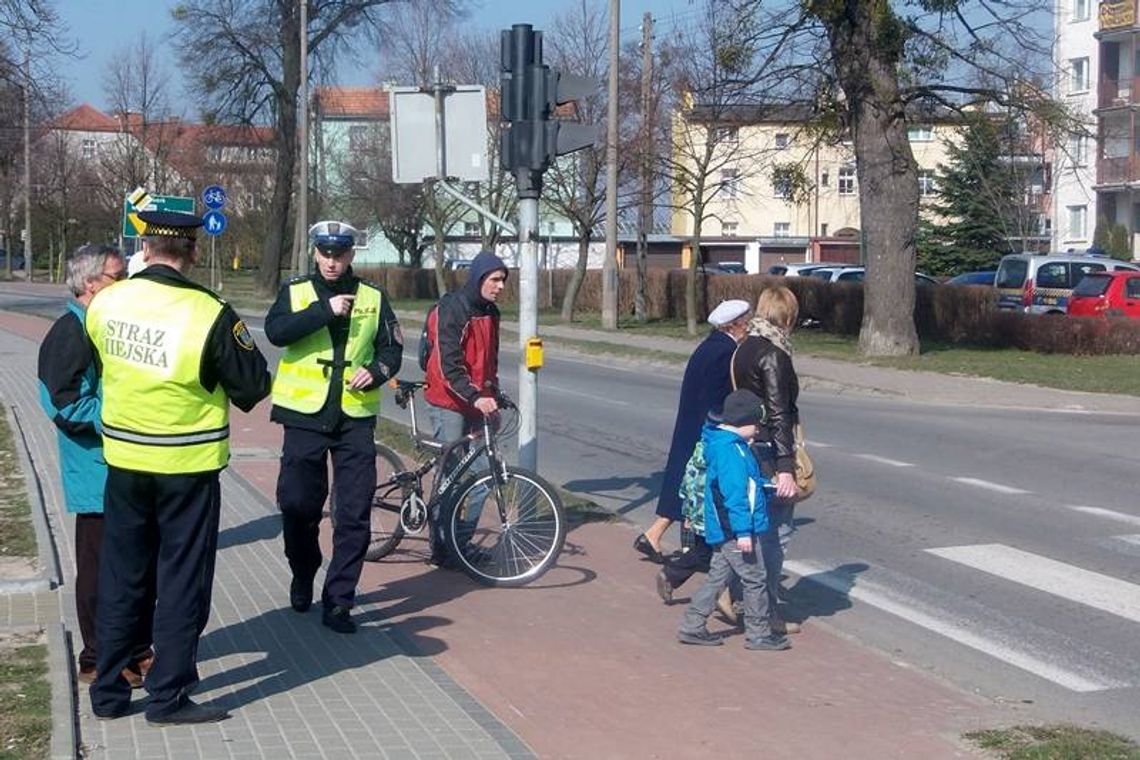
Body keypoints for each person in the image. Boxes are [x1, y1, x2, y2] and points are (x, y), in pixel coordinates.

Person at [86, 210, 271, 725]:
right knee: (182, 580)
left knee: (122, 577)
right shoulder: (209, 311)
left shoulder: (108, 301)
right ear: (190, 252)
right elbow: (253, 385)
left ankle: (108, 693)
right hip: (187, 466)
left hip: (124, 460)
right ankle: (166, 697)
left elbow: (102, 360)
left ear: (144, 249)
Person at [265, 220, 403, 634]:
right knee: (297, 505)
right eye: (324, 253)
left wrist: (377, 371)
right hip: (304, 416)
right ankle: (304, 569)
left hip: (353, 419)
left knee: (354, 512)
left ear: (351, 255)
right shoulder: (296, 292)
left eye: (339, 253)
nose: (331, 261)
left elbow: (392, 349)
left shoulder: (374, 298)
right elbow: (276, 332)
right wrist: (323, 311)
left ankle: (340, 600)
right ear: (314, 253)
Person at [37, 244, 153, 688]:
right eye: (117, 276)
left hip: (130, 465)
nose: (125, 284)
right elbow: (63, 405)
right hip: (97, 470)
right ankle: (95, 657)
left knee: (140, 564)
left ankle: (138, 649)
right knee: (101, 567)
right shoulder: (71, 332)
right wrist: (119, 417)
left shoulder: (107, 326)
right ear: (91, 285)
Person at [634, 299, 752, 562]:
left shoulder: (710, 346)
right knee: (696, 485)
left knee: (683, 481)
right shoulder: (725, 352)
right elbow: (720, 395)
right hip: (705, 426)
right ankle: (689, 550)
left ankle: (658, 536)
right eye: (746, 322)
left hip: (692, 422)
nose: (748, 327)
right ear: (735, 324)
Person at [676, 388, 789, 651]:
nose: (759, 431)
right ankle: (758, 633)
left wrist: (765, 486)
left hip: (727, 528)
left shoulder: (731, 446)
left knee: (719, 576)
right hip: (735, 529)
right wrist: (744, 533)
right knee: (755, 578)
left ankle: (692, 625)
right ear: (744, 422)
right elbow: (735, 496)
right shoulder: (732, 453)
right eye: (757, 425)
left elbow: (744, 485)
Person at [422, 249, 508, 565]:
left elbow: (490, 361)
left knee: (486, 475)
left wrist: (494, 394)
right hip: (448, 400)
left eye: (503, 281)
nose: (500, 286)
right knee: (451, 476)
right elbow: (449, 365)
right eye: (495, 279)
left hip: (476, 401)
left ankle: (459, 542)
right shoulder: (453, 308)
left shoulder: (491, 312)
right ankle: (440, 544)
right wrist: (473, 397)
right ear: (479, 278)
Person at [731, 285, 803, 637]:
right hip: (768, 452)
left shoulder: (743, 348)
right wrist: (786, 467)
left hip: (743, 444)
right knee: (776, 533)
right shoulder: (774, 355)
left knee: (749, 527)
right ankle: (766, 610)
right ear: (787, 316)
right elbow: (779, 414)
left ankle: (735, 595)